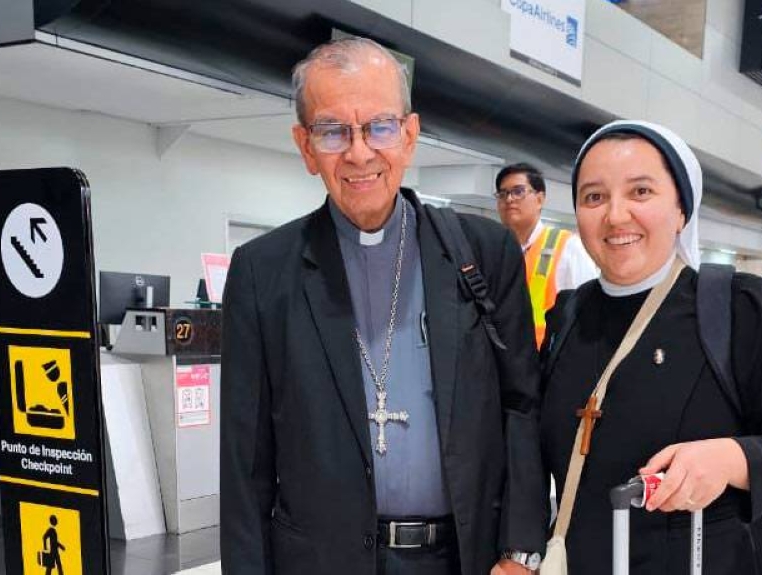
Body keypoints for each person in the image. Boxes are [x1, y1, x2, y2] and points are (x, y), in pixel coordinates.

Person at [220, 36, 546, 575]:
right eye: (332, 131)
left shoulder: (483, 254)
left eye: (379, 126)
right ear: (305, 147)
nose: (359, 151)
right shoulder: (263, 271)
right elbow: (244, 459)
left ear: (410, 135)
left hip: (464, 557)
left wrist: (520, 549)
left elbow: (521, 406)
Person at [539, 120, 762, 574]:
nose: (616, 215)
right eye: (594, 197)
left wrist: (732, 458)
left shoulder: (739, 306)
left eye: (640, 192)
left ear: (681, 209)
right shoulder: (569, 317)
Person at [495, 163, 597, 349]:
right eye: (503, 194)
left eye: (518, 191)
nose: (509, 199)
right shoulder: (494, 251)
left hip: (547, 360)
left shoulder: (567, 246)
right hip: (505, 360)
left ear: (540, 199)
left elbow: (589, 311)